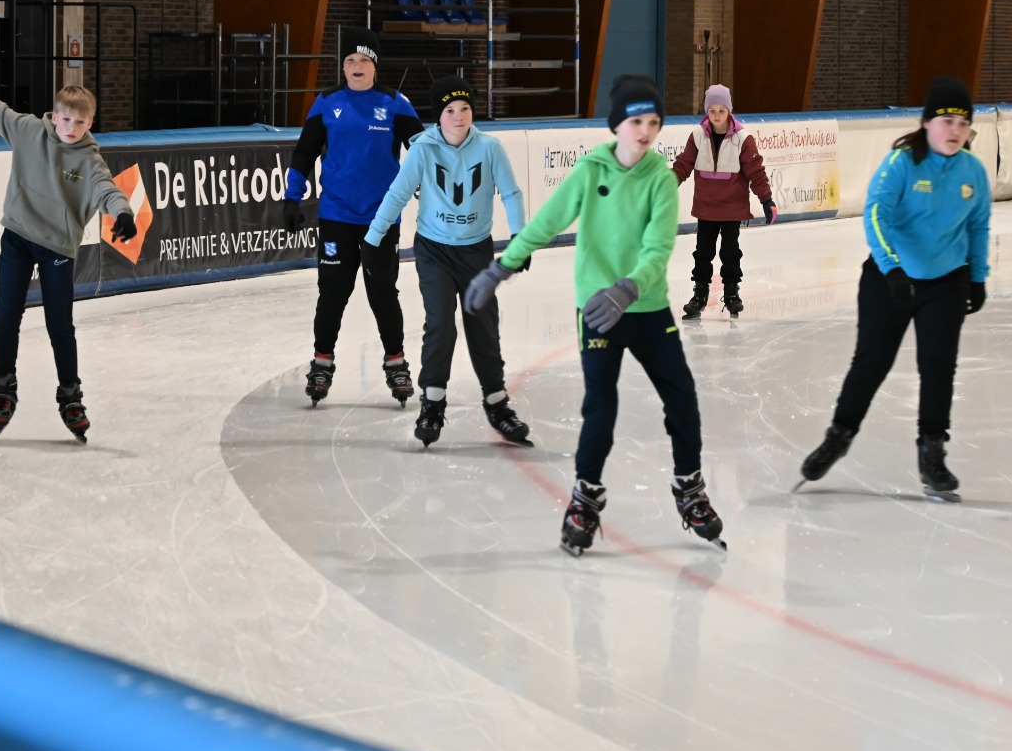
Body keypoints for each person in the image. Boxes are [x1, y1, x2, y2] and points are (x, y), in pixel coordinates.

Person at [462, 75, 724, 556]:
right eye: (637, 122)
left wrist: (627, 288)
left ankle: (689, 487)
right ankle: (585, 498)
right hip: (598, 313)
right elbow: (545, 223)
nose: (646, 132)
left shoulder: (661, 179)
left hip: (646, 308)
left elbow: (658, 248)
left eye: (654, 123)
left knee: (682, 398)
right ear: (617, 124)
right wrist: (502, 267)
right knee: (600, 407)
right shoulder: (590, 171)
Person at [0, 57, 137, 443]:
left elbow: (107, 189)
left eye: (80, 122)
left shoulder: (89, 160)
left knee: (60, 324)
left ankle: (70, 397)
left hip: (56, 248)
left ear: (90, 123)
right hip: (18, 238)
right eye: (66, 120)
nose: (71, 128)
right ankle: (4, 387)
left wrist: (122, 213)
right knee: (6, 316)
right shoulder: (27, 131)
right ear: (54, 116)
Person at [796, 76, 991, 501]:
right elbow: (876, 215)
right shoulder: (901, 163)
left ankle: (932, 453)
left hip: (946, 282)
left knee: (938, 367)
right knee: (871, 363)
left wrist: (978, 277)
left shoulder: (973, 171)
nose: (956, 130)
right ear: (927, 123)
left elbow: (978, 226)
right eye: (947, 121)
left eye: (963, 123)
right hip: (891, 280)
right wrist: (891, 267)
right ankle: (838, 436)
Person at [362, 77, 529, 447]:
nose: (458, 116)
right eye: (450, 110)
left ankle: (497, 404)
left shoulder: (490, 148)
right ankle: (432, 404)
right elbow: (397, 194)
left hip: (476, 252)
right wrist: (373, 239)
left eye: (465, 109)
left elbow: (512, 192)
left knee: (482, 324)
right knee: (440, 323)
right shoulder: (423, 148)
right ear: (438, 115)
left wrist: (521, 237)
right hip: (434, 252)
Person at [283, 29, 423, 405]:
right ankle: (322, 362)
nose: (356, 66)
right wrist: (291, 197)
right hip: (336, 216)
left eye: (363, 60)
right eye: (350, 60)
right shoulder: (327, 102)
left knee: (382, 292)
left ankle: (396, 362)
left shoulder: (395, 103)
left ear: (375, 65)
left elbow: (423, 151)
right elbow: (304, 152)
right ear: (342, 66)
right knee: (332, 292)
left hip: (381, 218)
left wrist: (428, 188)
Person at [671, 83, 776, 319]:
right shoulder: (698, 136)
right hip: (706, 206)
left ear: (729, 110)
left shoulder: (743, 138)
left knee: (730, 252)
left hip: (732, 208)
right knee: (703, 252)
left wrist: (766, 200)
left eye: (721, 110)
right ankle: (699, 295)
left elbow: (756, 171)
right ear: (706, 111)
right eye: (712, 111)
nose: (717, 115)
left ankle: (731, 293)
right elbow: (683, 164)